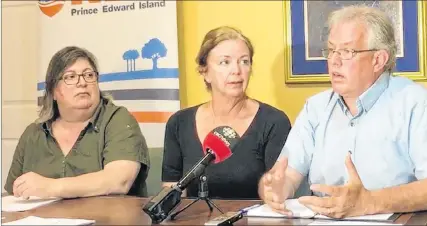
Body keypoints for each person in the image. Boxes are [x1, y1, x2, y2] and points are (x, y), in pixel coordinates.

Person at [259, 5, 427, 218]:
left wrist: (370, 202)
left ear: (378, 60)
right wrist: (276, 188)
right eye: (331, 50)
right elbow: (287, 175)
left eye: (347, 51)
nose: (334, 61)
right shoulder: (315, 109)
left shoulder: (419, 105)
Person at [162, 26, 291, 199]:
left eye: (244, 61)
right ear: (205, 72)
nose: (237, 70)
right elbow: (171, 194)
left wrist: (274, 188)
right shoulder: (179, 123)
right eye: (225, 62)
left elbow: (278, 190)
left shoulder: (274, 122)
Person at [5, 46, 150, 199]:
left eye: (89, 75)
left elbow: (118, 180)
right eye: (71, 77)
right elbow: (14, 193)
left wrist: (50, 187)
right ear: (53, 91)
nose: (82, 82)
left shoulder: (117, 119)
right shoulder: (33, 134)